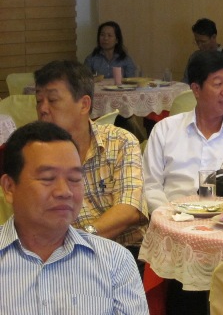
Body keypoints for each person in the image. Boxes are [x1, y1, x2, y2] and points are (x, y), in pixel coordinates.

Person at [0, 121, 148, 314]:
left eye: (74, 179)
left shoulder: (115, 261)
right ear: (9, 188)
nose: (64, 191)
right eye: (47, 178)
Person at [34, 61, 148, 260]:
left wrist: (81, 239)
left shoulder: (119, 141)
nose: (43, 109)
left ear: (84, 104)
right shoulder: (35, 153)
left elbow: (130, 209)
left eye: (52, 100)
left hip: (124, 252)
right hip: (63, 259)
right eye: (38, 101)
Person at [143, 50, 223, 213]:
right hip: (171, 217)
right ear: (196, 89)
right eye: (218, 84)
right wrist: (170, 216)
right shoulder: (165, 130)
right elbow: (150, 186)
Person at [181, 18, 219, 83]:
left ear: (213, 37)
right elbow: (186, 81)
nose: (199, 46)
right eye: (197, 42)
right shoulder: (194, 57)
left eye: (203, 41)